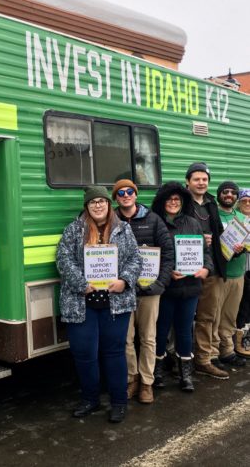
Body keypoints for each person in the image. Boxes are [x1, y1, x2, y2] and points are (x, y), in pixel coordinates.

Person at [57, 186, 142, 423]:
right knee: (84, 354)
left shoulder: (123, 229)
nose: (97, 205)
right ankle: (90, 399)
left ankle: (118, 402)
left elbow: (136, 259)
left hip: (114, 303)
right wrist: (81, 283)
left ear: (108, 204)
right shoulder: (74, 230)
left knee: (114, 353)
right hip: (81, 302)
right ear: (86, 206)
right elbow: (63, 260)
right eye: (92, 202)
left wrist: (124, 281)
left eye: (101, 201)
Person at [113, 179, 174, 404]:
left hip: (150, 290)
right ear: (116, 197)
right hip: (122, 290)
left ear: (136, 195)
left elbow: (168, 254)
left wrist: (160, 284)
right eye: (121, 193)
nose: (126, 195)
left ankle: (147, 383)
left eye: (130, 191)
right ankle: (132, 379)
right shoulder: (111, 220)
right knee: (125, 339)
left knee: (148, 338)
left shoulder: (153, 220)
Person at [151, 182, 212, 392]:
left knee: (185, 330)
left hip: (190, 286)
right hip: (166, 287)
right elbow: (149, 256)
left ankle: (185, 374)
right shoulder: (155, 223)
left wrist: (206, 269)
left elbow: (205, 253)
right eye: (169, 199)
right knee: (161, 330)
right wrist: (166, 273)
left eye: (177, 199)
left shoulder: (193, 223)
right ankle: (156, 371)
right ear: (162, 201)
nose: (173, 203)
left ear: (182, 201)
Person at [185, 162, 229, 379]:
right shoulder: (181, 201)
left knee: (207, 314)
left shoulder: (211, 203)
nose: (201, 183)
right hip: (186, 267)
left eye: (204, 179)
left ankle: (204, 359)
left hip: (210, 266)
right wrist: (197, 238)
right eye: (196, 179)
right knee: (182, 317)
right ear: (188, 182)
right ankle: (180, 360)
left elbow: (219, 232)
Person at [211, 181, 246, 368]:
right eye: (225, 192)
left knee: (230, 316)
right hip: (219, 273)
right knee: (214, 315)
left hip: (238, 273)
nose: (229, 195)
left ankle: (227, 350)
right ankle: (213, 353)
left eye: (233, 192)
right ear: (219, 194)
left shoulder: (242, 217)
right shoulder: (213, 215)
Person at [234, 188, 250, 358]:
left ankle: (246, 338)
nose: (247, 203)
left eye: (249, 201)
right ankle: (239, 341)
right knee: (242, 306)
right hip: (240, 267)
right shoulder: (235, 219)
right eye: (244, 200)